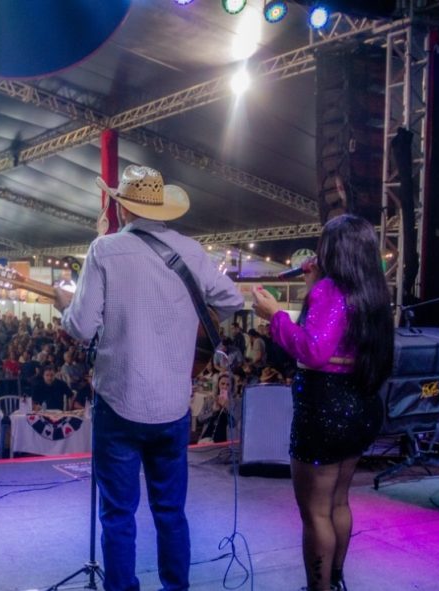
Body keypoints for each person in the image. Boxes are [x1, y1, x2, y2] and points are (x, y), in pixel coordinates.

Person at [55, 165, 243, 591]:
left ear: (123, 208)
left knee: (118, 515)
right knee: (171, 512)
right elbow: (231, 299)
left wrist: (65, 306)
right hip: (172, 406)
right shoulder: (191, 251)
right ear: (161, 208)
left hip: (118, 403)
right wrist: (192, 324)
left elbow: (81, 327)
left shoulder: (104, 250)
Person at [252, 214, 393, 591]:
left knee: (315, 511)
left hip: (325, 410)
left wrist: (275, 317)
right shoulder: (373, 291)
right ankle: (335, 581)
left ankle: (320, 588)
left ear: (332, 249)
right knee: (338, 502)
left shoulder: (331, 290)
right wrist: (314, 287)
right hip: (359, 405)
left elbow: (314, 350)